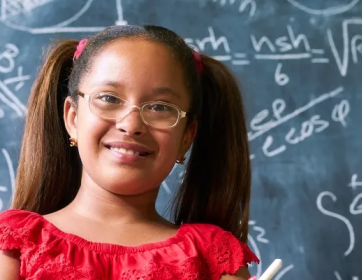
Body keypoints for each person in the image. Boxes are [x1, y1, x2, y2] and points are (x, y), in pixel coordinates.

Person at [0, 25, 259, 279]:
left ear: (186, 138)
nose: (131, 125)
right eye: (109, 99)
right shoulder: (15, 244)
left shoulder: (214, 258)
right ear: (73, 118)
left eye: (159, 107)